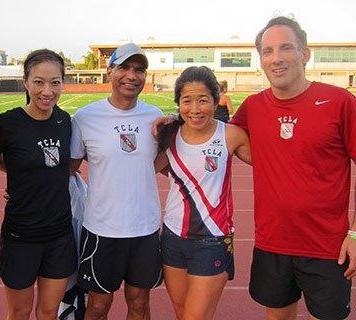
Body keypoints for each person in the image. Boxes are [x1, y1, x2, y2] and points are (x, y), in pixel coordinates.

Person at [230, 16, 356, 320]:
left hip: (327, 247)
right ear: (260, 59)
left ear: (305, 54)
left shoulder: (340, 101)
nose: (276, 58)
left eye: (285, 48)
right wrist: (170, 124)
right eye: (268, 51)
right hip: (273, 242)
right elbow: (216, 134)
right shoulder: (252, 106)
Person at [70, 43, 163, 320]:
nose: (132, 76)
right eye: (124, 67)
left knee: (139, 304)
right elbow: (69, 168)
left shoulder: (155, 117)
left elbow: (162, 162)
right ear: (110, 71)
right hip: (102, 229)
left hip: (144, 228)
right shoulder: (86, 118)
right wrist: (23, 188)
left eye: (139, 70)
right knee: (98, 307)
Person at [155, 66, 250, 320]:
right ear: (178, 103)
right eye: (187, 101)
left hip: (213, 240)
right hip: (173, 237)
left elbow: (272, 163)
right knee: (182, 311)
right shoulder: (169, 135)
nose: (195, 109)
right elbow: (148, 170)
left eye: (203, 100)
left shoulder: (231, 135)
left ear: (215, 100)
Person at [0, 49, 77, 320]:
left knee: (49, 311)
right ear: (26, 82)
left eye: (55, 82)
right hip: (21, 237)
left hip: (59, 235)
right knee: (19, 312)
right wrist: (18, 175)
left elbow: (64, 165)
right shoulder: (7, 124)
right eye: (39, 82)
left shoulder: (66, 122)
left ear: (63, 83)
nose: (47, 91)